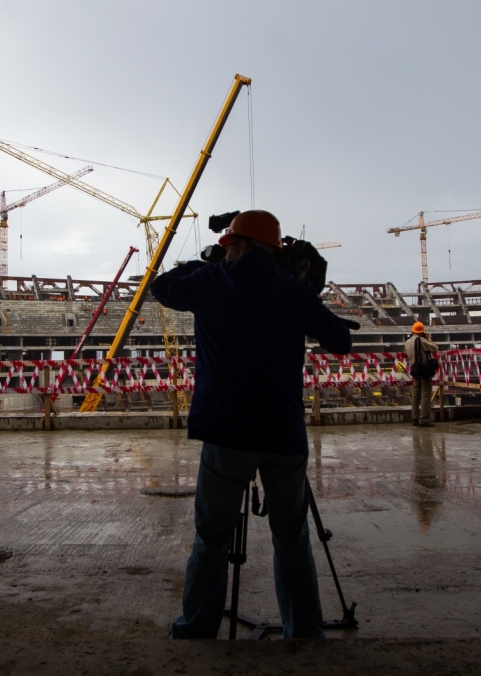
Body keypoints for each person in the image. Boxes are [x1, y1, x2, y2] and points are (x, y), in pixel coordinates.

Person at [150, 210, 352, 639]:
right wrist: (308, 292)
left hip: (227, 431)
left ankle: (198, 626)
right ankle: (304, 630)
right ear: (276, 251)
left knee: (211, 538)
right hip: (282, 432)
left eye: (228, 246)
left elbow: (160, 286)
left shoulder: (210, 282)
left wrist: (203, 264)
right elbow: (341, 341)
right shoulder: (295, 290)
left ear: (237, 246)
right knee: (292, 537)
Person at [404, 321, 438, 427]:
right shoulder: (422, 340)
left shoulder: (408, 342)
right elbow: (435, 348)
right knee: (426, 393)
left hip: (414, 369)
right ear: (422, 332)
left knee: (415, 394)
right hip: (424, 369)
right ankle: (424, 419)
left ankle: (415, 418)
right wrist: (429, 339)